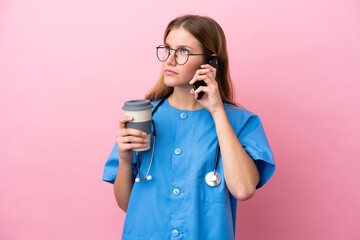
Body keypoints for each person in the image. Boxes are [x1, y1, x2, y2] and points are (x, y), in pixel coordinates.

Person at [102, 14, 275, 240]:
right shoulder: (144, 117)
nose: (170, 60)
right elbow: (127, 206)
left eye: (183, 51)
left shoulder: (241, 122)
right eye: (167, 49)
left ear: (210, 62)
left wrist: (217, 111)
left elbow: (243, 190)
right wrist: (125, 159)